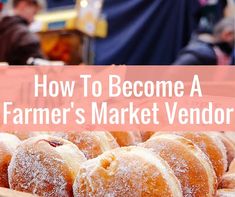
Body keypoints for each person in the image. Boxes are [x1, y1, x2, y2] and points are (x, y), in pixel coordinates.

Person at [0, 0, 44, 65]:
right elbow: (40, 67)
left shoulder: (4, 30)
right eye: (34, 13)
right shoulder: (25, 36)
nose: (34, 19)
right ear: (23, 5)